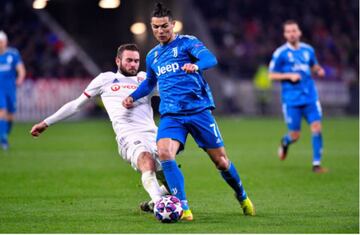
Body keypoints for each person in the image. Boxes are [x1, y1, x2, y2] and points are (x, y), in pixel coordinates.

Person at [122, 3, 255, 220]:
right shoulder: (153, 56)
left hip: (198, 110)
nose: (160, 31)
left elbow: (210, 59)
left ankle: (242, 196)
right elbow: (149, 83)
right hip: (171, 115)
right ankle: (184, 208)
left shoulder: (187, 43)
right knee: (164, 152)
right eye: (155, 27)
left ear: (172, 25)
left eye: (164, 26)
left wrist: (196, 65)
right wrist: (132, 96)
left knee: (221, 161)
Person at [30, 44, 168, 211]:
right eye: (129, 60)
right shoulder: (105, 79)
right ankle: (161, 205)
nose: (133, 64)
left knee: (171, 180)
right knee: (146, 160)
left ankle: (155, 201)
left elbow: (170, 92)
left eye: (136, 61)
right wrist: (46, 123)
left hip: (154, 134)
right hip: (128, 135)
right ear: (118, 61)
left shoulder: (145, 79)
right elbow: (76, 105)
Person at [268, 20, 328, 173]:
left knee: (317, 128)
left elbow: (313, 65)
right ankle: (285, 142)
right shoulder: (280, 53)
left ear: (299, 32)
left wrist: (318, 70)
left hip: (310, 98)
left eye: (294, 30)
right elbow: (271, 75)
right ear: (285, 35)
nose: (292, 34)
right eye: (288, 31)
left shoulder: (308, 50)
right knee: (295, 135)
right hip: (291, 100)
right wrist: (289, 75)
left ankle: (316, 164)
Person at [0, 30, 26, 150]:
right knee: (2, 111)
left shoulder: (13, 54)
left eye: (1, 41)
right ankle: (3, 139)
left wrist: (20, 78)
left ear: (5, 42)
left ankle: (4, 134)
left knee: (10, 116)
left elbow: (21, 69)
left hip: (10, 88)